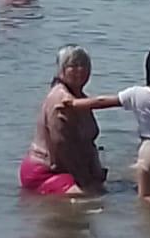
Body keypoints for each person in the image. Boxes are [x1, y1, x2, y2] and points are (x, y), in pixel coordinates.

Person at [62, 46, 150, 203]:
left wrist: (74, 104)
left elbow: (102, 101)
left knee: (147, 198)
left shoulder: (136, 93)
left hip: (149, 152)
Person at [19, 45, 107, 196]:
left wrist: (95, 171)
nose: (80, 70)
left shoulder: (81, 98)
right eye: (73, 65)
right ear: (61, 70)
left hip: (71, 168)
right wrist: (84, 180)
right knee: (87, 197)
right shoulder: (60, 100)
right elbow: (62, 145)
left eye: (84, 65)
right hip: (46, 170)